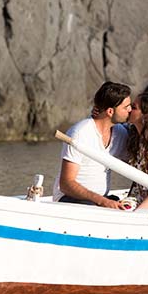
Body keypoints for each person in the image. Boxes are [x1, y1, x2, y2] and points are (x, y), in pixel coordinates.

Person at [52, 81, 132, 209]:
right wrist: (103, 202)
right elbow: (66, 184)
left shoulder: (120, 133)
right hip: (69, 200)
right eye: (126, 107)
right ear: (110, 111)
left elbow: (138, 160)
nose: (130, 110)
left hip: (100, 199)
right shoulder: (79, 133)